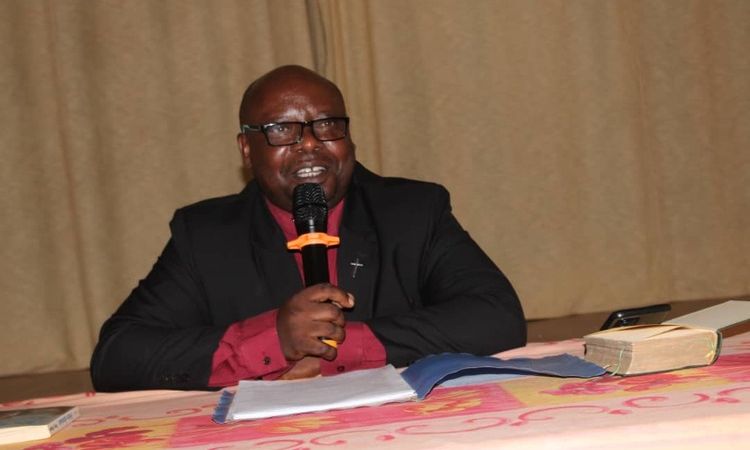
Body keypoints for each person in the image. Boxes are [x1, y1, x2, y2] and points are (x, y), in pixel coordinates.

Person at [90, 65, 526, 391]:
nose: (311, 143)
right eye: (282, 130)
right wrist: (273, 340)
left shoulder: (412, 210)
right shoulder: (206, 235)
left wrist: (343, 348)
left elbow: (496, 316)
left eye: (327, 125)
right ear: (247, 148)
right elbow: (118, 355)